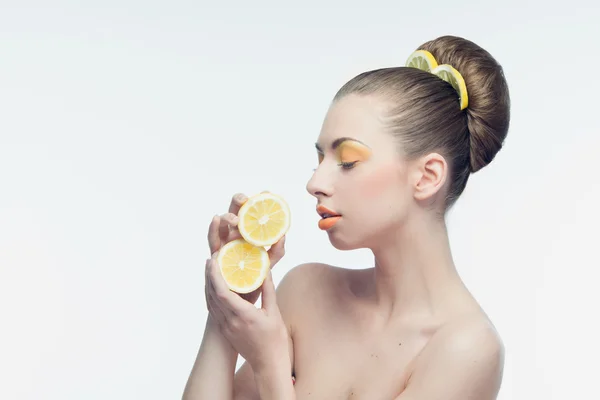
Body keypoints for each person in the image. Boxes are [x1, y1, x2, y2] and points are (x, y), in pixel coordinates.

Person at [182, 34, 511, 400]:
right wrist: (227, 307)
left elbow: (269, 365)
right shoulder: (307, 291)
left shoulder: (466, 348)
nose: (315, 183)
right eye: (319, 159)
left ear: (427, 176)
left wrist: (270, 363)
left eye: (348, 161)